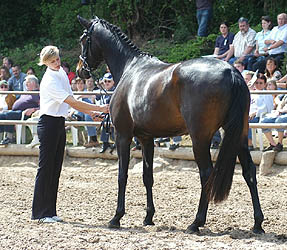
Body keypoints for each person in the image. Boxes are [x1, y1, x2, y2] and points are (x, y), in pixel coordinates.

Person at [31, 45, 108, 223]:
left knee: (56, 167)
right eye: (52, 61)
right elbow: (70, 101)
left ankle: (50, 210)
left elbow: (72, 98)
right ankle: (39, 212)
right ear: (45, 63)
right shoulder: (49, 80)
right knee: (46, 168)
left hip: (58, 122)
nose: (57, 63)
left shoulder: (61, 74)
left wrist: (90, 113)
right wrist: (98, 108)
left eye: (57, 59)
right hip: (48, 123)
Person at [0, 75, 40, 145]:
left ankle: (10, 138)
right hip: (16, 111)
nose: (26, 84)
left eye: (27, 82)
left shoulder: (37, 93)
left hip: (25, 113)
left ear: (33, 83)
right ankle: (5, 138)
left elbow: (43, 106)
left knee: (9, 115)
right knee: (1, 116)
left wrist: (33, 109)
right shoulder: (27, 92)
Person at [68, 77, 99, 148]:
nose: (80, 85)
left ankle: (93, 139)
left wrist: (80, 96)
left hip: (87, 113)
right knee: (83, 109)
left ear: (84, 84)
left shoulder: (87, 92)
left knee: (85, 109)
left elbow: (93, 97)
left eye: (81, 83)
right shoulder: (73, 94)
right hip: (77, 113)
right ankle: (93, 139)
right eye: (78, 83)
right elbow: (72, 106)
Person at [248, 73, 273, 150]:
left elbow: (268, 108)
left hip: (260, 116)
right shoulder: (251, 93)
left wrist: (255, 113)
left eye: (261, 83)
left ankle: (249, 143)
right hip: (249, 115)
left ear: (265, 84)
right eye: (256, 83)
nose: (258, 85)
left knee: (246, 121)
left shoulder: (267, 94)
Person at [97, 72, 115, 153]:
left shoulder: (114, 91)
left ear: (113, 82)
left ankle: (114, 142)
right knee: (105, 120)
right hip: (105, 113)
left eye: (109, 81)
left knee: (108, 120)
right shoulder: (102, 91)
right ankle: (105, 143)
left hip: (113, 113)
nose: (107, 83)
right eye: (105, 81)